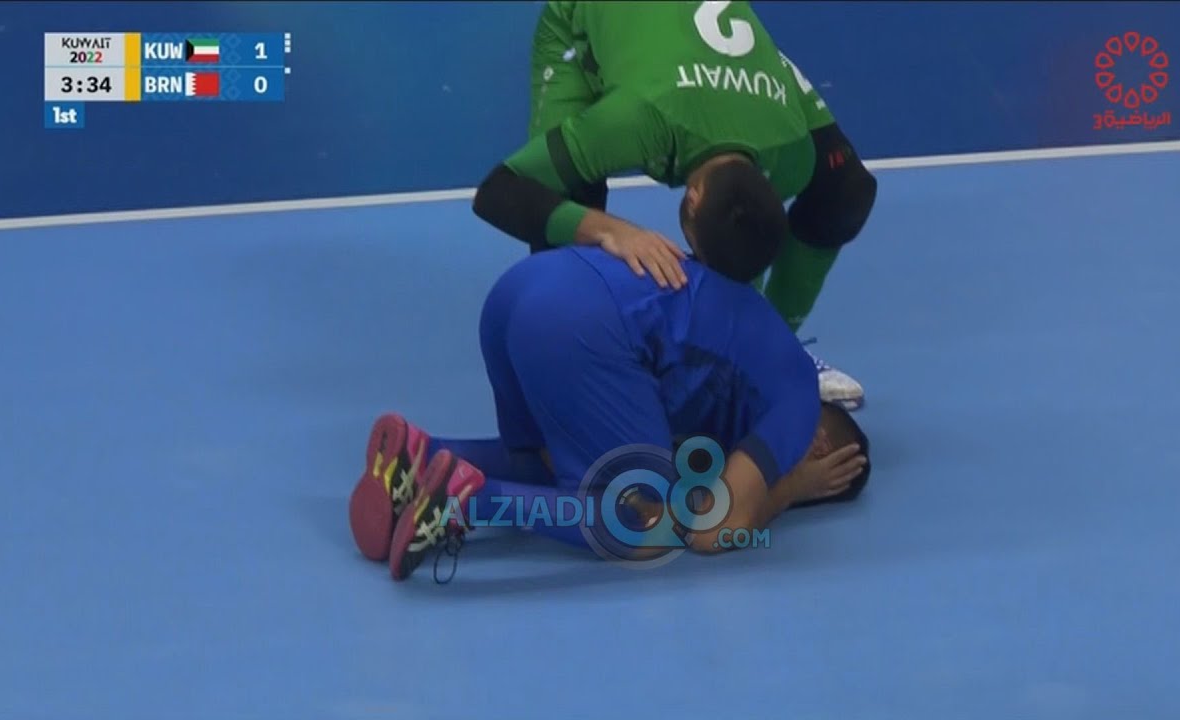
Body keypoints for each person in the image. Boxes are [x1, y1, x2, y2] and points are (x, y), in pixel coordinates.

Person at [347, 237, 872, 582]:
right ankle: (471, 501)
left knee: (554, 464)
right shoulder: (798, 405)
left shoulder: (745, 380)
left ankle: (420, 455)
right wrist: (792, 489)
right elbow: (711, 532)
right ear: (823, 446)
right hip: (576, 324)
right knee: (646, 524)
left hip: (523, 288)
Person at [471, 0, 878, 410]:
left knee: (843, 189)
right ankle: (579, 368)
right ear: (692, 200)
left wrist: (755, 344)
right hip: (592, 29)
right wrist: (611, 230)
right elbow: (498, 192)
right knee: (565, 209)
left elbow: (742, 233)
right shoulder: (635, 121)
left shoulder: (792, 151)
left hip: (715, 66)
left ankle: (772, 349)